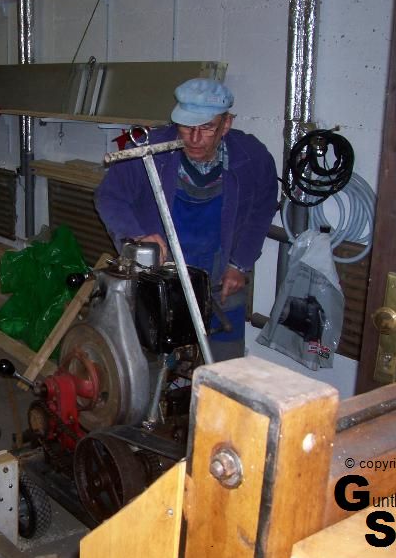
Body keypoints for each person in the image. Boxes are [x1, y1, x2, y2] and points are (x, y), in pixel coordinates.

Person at [95, 78, 278, 361]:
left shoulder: (251, 157)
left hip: (220, 278)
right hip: (159, 277)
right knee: (152, 364)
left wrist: (241, 263)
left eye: (206, 128)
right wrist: (136, 236)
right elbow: (110, 197)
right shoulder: (148, 149)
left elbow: (261, 209)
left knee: (225, 366)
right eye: (186, 126)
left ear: (226, 124)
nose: (193, 138)